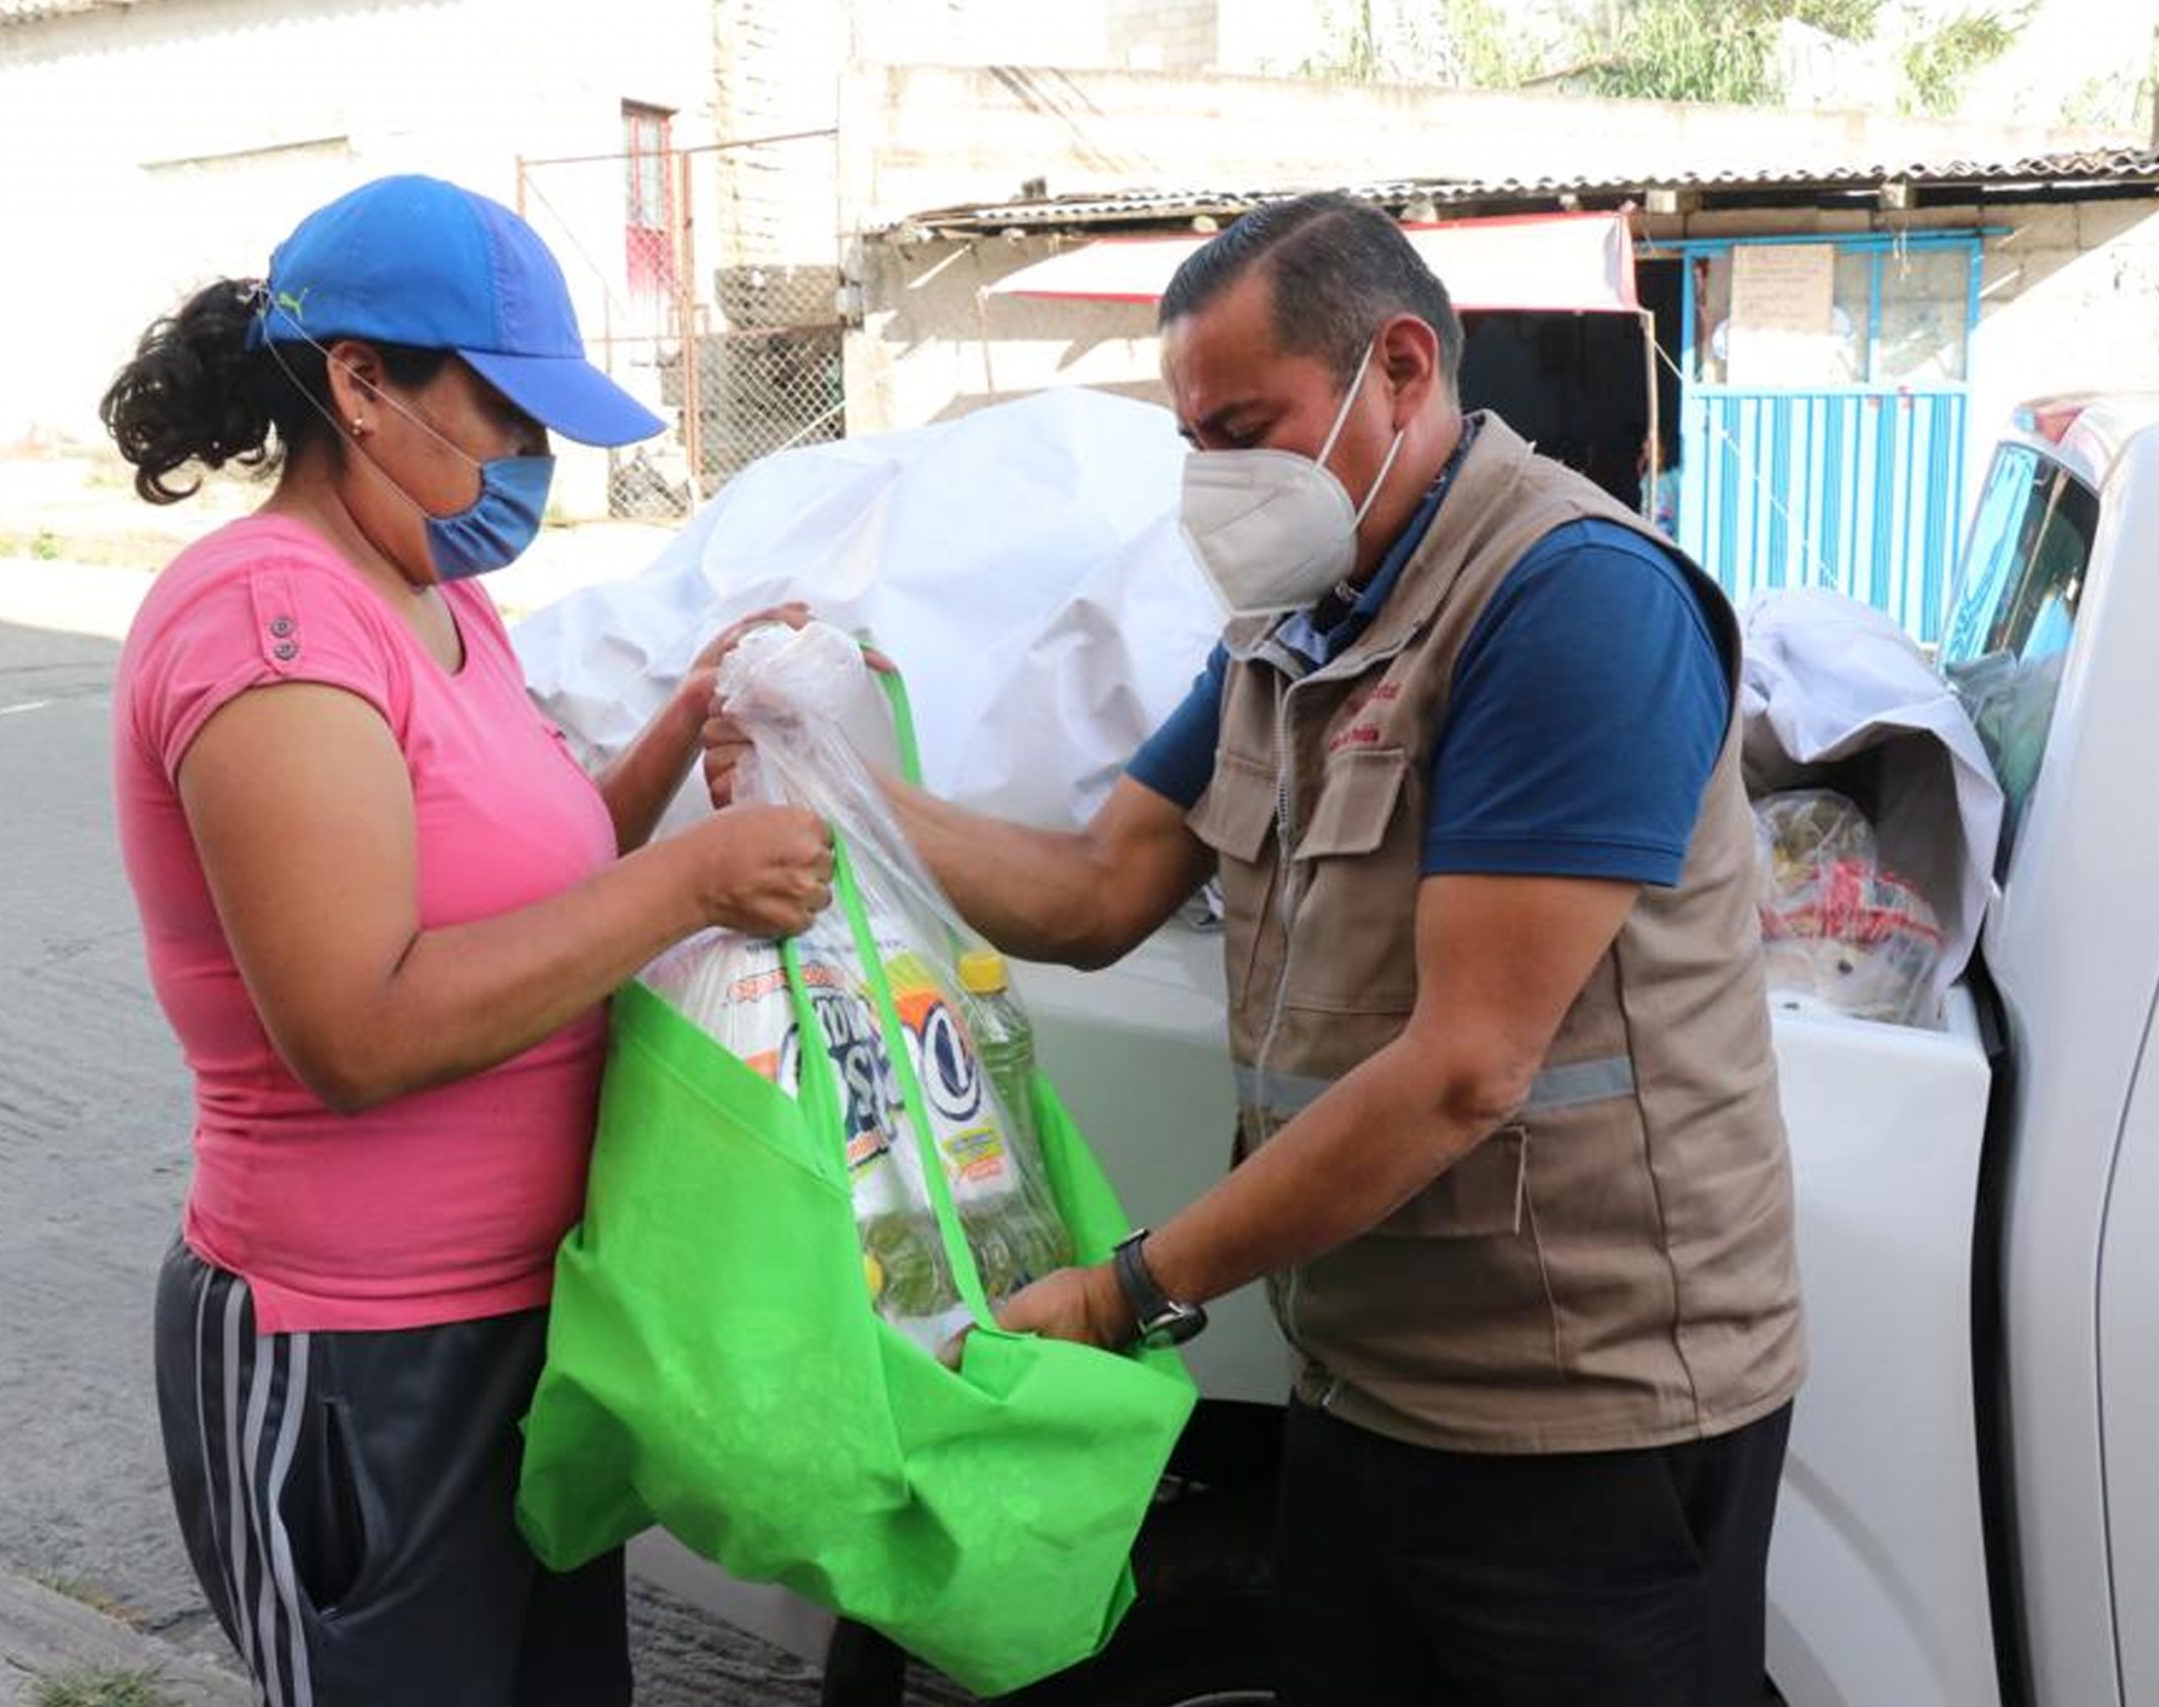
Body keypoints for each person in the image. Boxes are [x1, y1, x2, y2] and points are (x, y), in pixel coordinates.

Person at [720, 192, 1805, 1704]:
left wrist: (1126, 1292)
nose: (1214, 482)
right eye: (1194, 441)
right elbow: (1098, 888)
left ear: (1404, 367)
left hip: (1582, 1419)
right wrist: (842, 792)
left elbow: (1464, 1069)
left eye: (1246, 426)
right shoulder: (1289, 632)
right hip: (1367, 1383)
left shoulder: (1571, 605)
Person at [102, 175, 833, 1707]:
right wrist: (693, 882)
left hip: (530, 1327)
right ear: (360, 383)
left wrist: (680, 731)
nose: (533, 465)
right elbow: (357, 1028)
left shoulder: (444, 602)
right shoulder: (270, 624)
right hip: (360, 1362)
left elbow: (535, 886)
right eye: (506, 416)